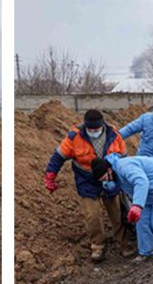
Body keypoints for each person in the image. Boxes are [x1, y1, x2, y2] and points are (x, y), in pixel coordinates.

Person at [44, 109, 131, 262]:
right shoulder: (75, 137)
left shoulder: (114, 135)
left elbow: (124, 159)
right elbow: (58, 157)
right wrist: (50, 176)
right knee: (92, 216)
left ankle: (124, 244)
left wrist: (124, 179)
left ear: (102, 125)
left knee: (117, 213)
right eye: (90, 129)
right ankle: (98, 246)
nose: (93, 132)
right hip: (87, 179)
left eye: (96, 129)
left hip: (109, 177)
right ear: (85, 126)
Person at [90, 153, 153, 261]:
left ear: (109, 170)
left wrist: (137, 205)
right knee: (141, 222)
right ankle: (146, 252)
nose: (106, 182)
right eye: (102, 181)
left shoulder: (124, 167)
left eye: (105, 178)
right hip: (149, 195)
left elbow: (141, 181)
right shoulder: (115, 174)